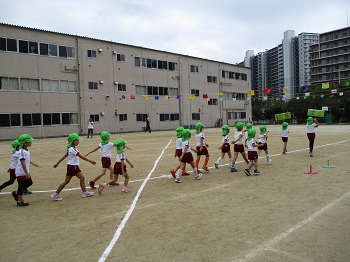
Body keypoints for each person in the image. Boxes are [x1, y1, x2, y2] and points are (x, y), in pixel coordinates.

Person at [51, 133, 96, 201]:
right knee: (66, 181)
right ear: (74, 141)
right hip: (72, 167)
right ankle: (56, 194)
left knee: (82, 178)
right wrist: (90, 161)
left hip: (75, 167)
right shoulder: (72, 149)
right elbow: (81, 156)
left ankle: (85, 192)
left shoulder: (71, 148)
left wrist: (57, 163)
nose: (78, 141)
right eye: (77, 140)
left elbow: (65, 155)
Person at [11, 134, 39, 207]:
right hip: (21, 171)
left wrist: (33, 163)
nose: (31, 142)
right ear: (25, 143)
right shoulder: (22, 151)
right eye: (29, 141)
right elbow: (22, 161)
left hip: (24, 171)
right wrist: (26, 172)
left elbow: (26, 160)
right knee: (21, 185)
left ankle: (17, 193)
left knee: (29, 182)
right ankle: (19, 201)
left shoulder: (26, 150)